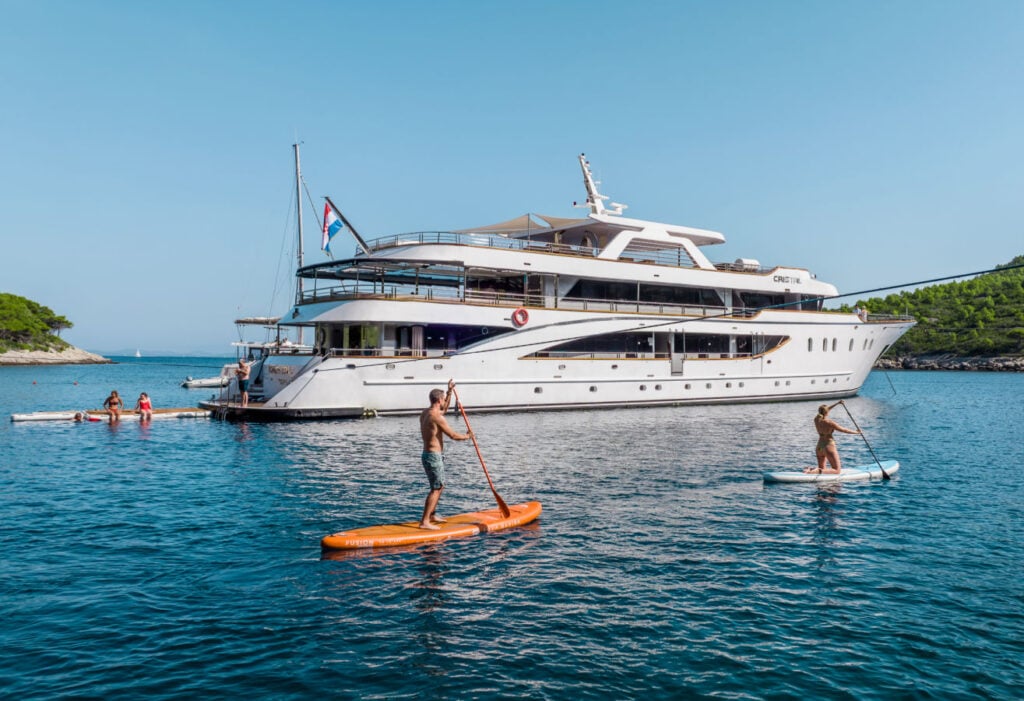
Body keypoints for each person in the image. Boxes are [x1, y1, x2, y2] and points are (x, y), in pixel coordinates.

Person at [418, 379, 473, 530]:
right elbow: (453, 435)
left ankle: (432, 515)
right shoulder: (437, 417)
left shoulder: (426, 413)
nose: (444, 402)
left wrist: (449, 392)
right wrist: (468, 436)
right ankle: (425, 522)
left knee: (439, 486)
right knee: (436, 488)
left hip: (428, 455)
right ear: (439, 400)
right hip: (433, 456)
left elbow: (444, 410)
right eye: (443, 399)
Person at [805, 400, 861, 474]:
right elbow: (844, 430)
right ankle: (815, 471)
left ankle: (815, 471)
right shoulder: (829, 423)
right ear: (827, 412)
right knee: (837, 470)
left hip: (819, 446)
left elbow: (825, 410)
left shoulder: (816, 419)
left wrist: (837, 404)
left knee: (823, 469)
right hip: (828, 445)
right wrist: (856, 432)